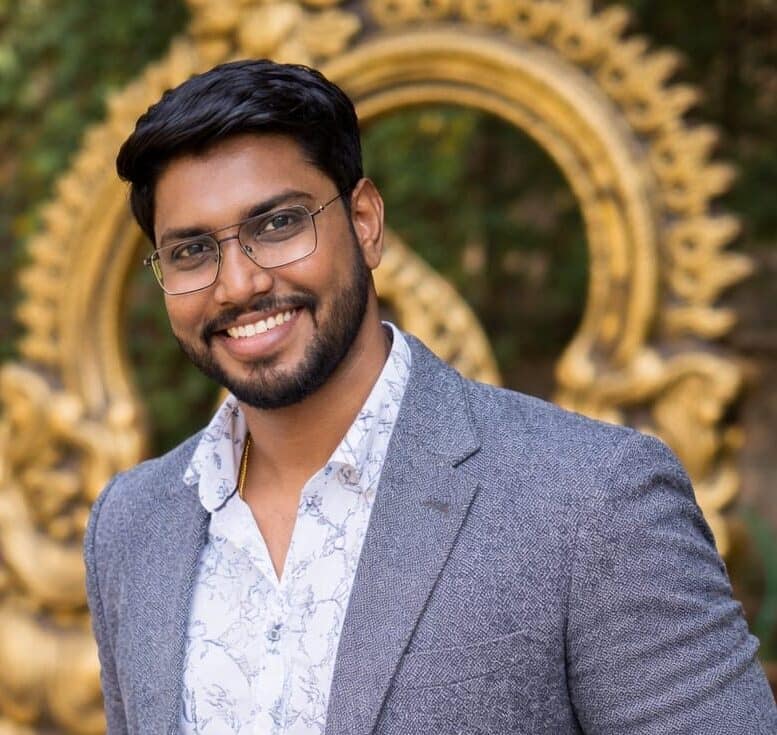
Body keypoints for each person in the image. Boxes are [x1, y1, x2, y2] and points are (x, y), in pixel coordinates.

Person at [84, 58, 777, 735]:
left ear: (365, 221)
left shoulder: (591, 498)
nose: (238, 283)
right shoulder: (132, 523)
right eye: (191, 251)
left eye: (278, 225)